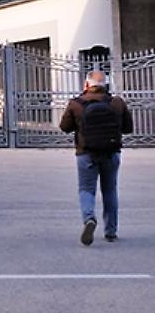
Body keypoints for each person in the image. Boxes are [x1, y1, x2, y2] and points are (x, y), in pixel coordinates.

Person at [59, 70, 133, 246]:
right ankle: (111, 231)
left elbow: (64, 127)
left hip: (86, 153)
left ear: (87, 85)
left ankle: (89, 218)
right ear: (105, 85)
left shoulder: (76, 104)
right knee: (110, 190)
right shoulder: (117, 103)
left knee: (86, 189)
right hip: (112, 153)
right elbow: (128, 128)